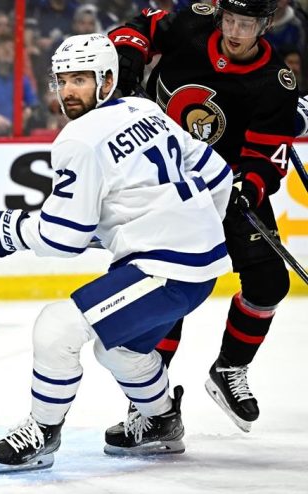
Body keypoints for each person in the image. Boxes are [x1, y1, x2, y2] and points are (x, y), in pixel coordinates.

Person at [0, 33, 233, 473]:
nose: (69, 90)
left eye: (80, 80)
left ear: (107, 79)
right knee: (119, 350)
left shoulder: (79, 139)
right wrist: (198, 229)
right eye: (62, 80)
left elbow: (63, 237)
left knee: (57, 327)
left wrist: (7, 231)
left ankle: (42, 433)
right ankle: (161, 421)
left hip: (164, 265)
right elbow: (217, 175)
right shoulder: (147, 110)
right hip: (196, 266)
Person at [109, 0, 299, 433]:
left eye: (246, 24)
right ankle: (151, 405)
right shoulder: (192, 20)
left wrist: (248, 189)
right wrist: (130, 51)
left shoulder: (276, 83)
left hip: (226, 186)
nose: (234, 31)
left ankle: (229, 369)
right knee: (168, 282)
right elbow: (139, 27)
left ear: (265, 26)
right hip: (163, 180)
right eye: (229, 20)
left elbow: (265, 155)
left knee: (270, 282)